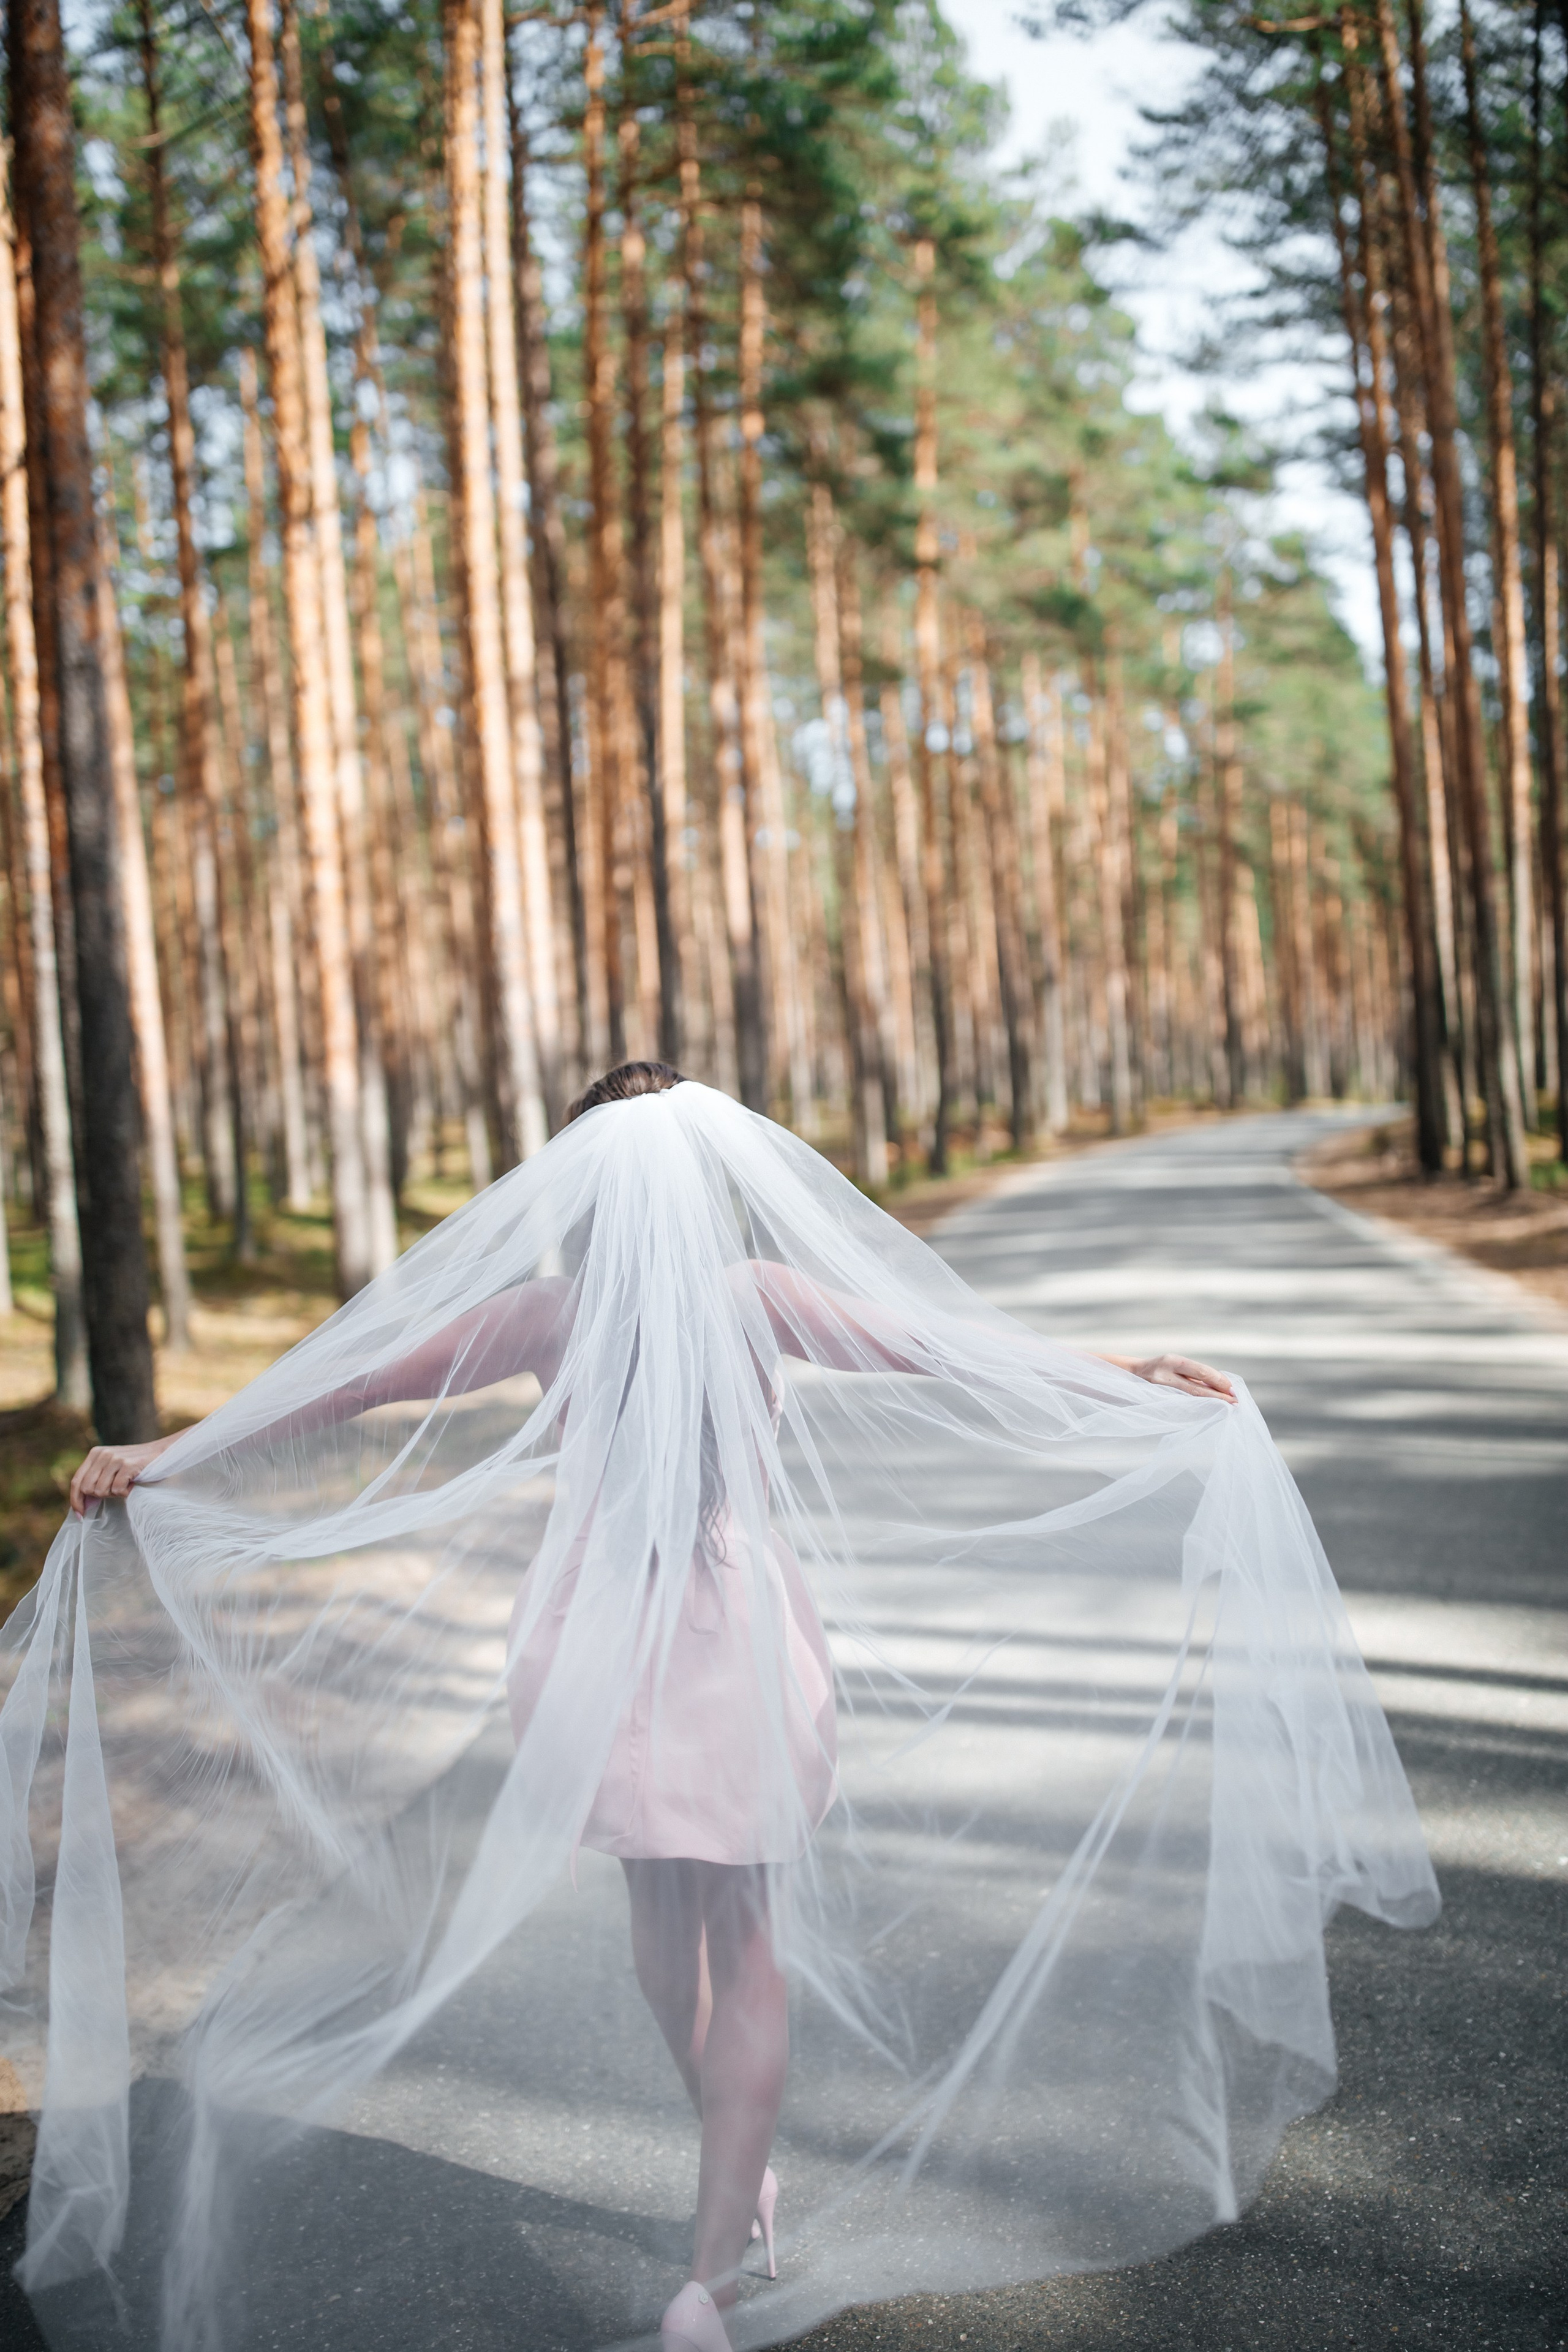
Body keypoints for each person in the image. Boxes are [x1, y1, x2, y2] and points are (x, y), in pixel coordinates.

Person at [13, 1066, 1434, 2352]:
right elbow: (351, 1386)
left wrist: (1119, 1372)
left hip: (675, 1634)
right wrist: (172, 1447)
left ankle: (705, 2273)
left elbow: (940, 1348)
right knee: (669, 1939)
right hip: (647, 1637)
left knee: (716, 1931)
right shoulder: (572, 1313)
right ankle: (736, 2167)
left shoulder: (717, 1300)